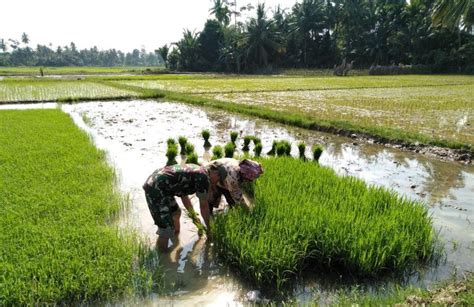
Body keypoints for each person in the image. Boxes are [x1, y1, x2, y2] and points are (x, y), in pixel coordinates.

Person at [143, 163, 219, 251]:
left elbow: (184, 196)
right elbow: (204, 207)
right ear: (215, 173)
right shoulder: (204, 177)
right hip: (156, 188)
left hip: (161, 186)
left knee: (176, 213)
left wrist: (194, 217)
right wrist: (209, 229)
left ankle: (175, 239)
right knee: (166, 229)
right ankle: (161, 257)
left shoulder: (197, 171)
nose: (217, 182)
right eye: (219, 179)